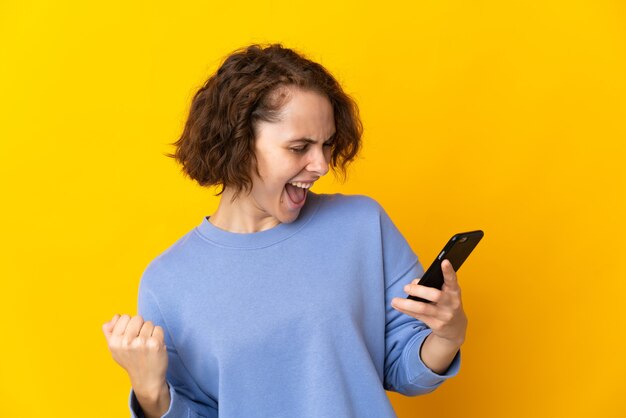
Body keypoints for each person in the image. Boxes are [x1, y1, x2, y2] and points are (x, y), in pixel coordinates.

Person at [102, 43, 467, 418]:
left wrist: (448, 333)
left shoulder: (362, 224)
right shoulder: (167, 283)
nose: (322, 164)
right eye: (299, 147)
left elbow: (405, 369)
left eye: (326, 145)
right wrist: (151, 396)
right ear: (239, 145)